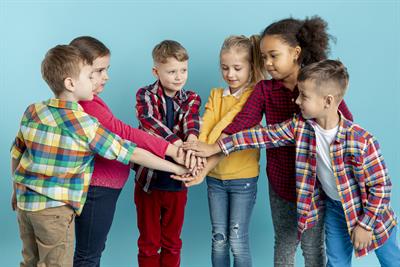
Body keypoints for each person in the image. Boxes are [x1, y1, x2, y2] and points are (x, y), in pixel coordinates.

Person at [183, 59, 400, 267]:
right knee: (336, 262)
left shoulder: (361, 140)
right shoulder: (300, 127)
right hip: (335, 208)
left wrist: (366, 224)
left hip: (371, 211)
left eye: (303, 96)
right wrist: (217, 147)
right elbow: (261, 136)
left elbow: (382, 187)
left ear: (328, 101)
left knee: (391, 261)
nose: (296, 101)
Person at [10, 44, 191, 266]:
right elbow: (129, 150)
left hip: (26, 204)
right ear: (70, 83)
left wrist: (15, 190)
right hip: (55, 211)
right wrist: (175, 166)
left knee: (30, 261)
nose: (98, 79)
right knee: (58, 262)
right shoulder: (84, 123)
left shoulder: (33, 110)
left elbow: (17, 152)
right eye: (91, 75)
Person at [69, 36, 187, 266]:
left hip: (104, 191)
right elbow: (126, 137)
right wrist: (173, 151)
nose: (107, 76)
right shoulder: (87, 107)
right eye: (100, 70)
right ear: (78, 71)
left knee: (92, 251)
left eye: (107, 69)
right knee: (88, 254)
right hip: (96, 191)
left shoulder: (93, 101)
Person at [134, 40, 202, 267]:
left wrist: (191, 141)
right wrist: (177, 145)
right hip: (149, 183)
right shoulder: (145, 95)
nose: (178, 76)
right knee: (148, 243)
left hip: (177, 184)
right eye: (171, 71)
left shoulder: (191, 97)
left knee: (172, 242)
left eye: (183, 70)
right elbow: (149, 122)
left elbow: (191, 121)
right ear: (156, 71)